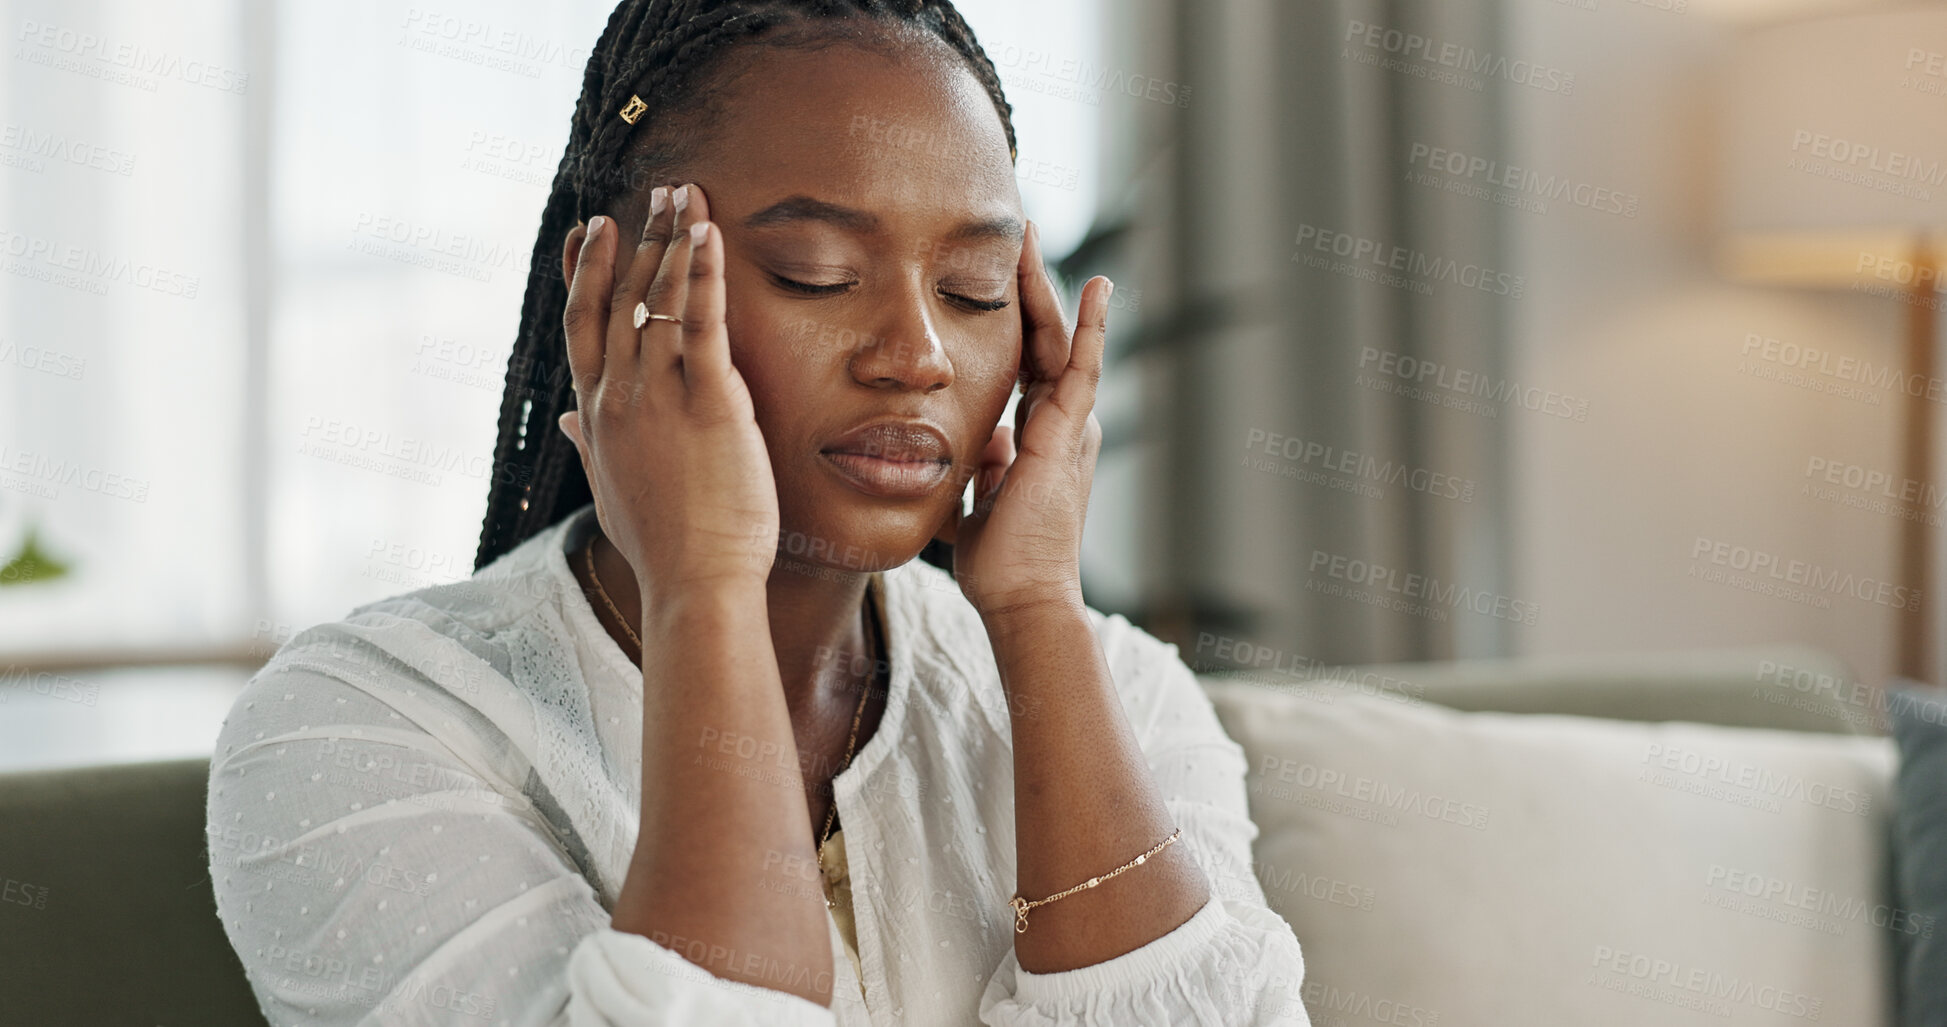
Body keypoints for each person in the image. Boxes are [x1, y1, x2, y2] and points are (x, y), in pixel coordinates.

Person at [206, 1, 1312, 1023]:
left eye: (974, 289)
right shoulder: (360, 727)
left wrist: (1034, 617)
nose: (917, 357)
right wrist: (704, 587)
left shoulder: (1128, 698)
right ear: (611, 293)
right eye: (817, 273)